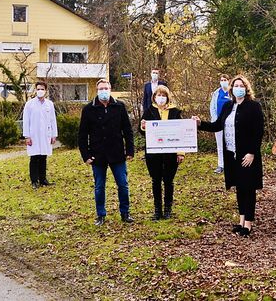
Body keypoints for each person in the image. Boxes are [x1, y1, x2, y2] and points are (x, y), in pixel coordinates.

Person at [193, 75, 264, 237]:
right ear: (231, 89)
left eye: (241, 85)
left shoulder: (253, 106)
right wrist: (200, 124)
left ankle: (248, 223)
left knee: (248, 188)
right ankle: (240, 221)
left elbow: (258, 132)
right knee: (239, 188)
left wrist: (252, 152)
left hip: (247, 155)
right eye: (236, 85)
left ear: (246, 88)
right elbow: (217, 125)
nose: (239, 88)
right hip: (232, 155)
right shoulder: (227, 106)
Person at [78, 79, 135, 226]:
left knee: (123, 184)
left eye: (106, 88)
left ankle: (125, 212)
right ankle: (100, 215)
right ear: (97, 91)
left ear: (110, 89)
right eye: (101, 88)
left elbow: (127, 131)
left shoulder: (119, 106)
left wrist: (129, 150)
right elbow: (82, 135)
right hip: (97, 154)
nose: (104, 91)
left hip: (117, 153)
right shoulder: (88, 109)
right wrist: (86, 155)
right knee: (99, 187)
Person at [140, 85, 185, 220]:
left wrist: (180, 152)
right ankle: (157, 210)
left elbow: (181, 132)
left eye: (163, 95)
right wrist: (143, 127)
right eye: (158, 95)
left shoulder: (175, 112)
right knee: (156, 181)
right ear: (154, 97)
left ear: (168, 97)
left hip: (171, 153)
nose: (161, 98)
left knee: (168, 180)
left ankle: (168, 210)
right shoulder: (149, 111)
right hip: (154, 153)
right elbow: (142, 131)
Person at [22, 81, 58, 189]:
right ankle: (34, 181)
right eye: (38, 89)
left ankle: (43, 180)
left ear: (46, 91)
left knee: (43, 157)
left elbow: (53, 120)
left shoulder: (49, 104)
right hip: (33, 135)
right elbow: (26, 121)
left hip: (45, 135)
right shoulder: (29, 104)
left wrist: (53, 135)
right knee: (34, 158)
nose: (40, 91)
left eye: (42, 89)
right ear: (35, 90)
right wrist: (27, 136)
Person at [209, 74, 232, 174]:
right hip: (218, 122)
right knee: (220, 145)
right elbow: (212, 108)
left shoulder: (232, 92)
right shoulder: (216, 93)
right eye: (221, 80)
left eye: (225, 80)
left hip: (230, 123)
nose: (223, 81)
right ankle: (221, 165)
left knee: (230, 144)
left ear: (229, 80)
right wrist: (215, 120)